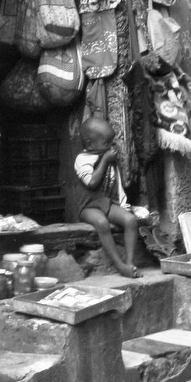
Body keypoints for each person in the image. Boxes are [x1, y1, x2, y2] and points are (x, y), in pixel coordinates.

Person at [74, 116, 144, 279]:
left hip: (107, 203)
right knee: (102, 223)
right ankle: (119, 265)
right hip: (88, 206)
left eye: (111, 143)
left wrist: (124, 205)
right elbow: (91, 182)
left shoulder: (109, 158)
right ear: (90, 144)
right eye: (106, 144)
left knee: (130, 220)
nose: (111, 147)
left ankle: (129, 263)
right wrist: (105, 160)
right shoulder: (82, 159)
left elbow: (117, 185)